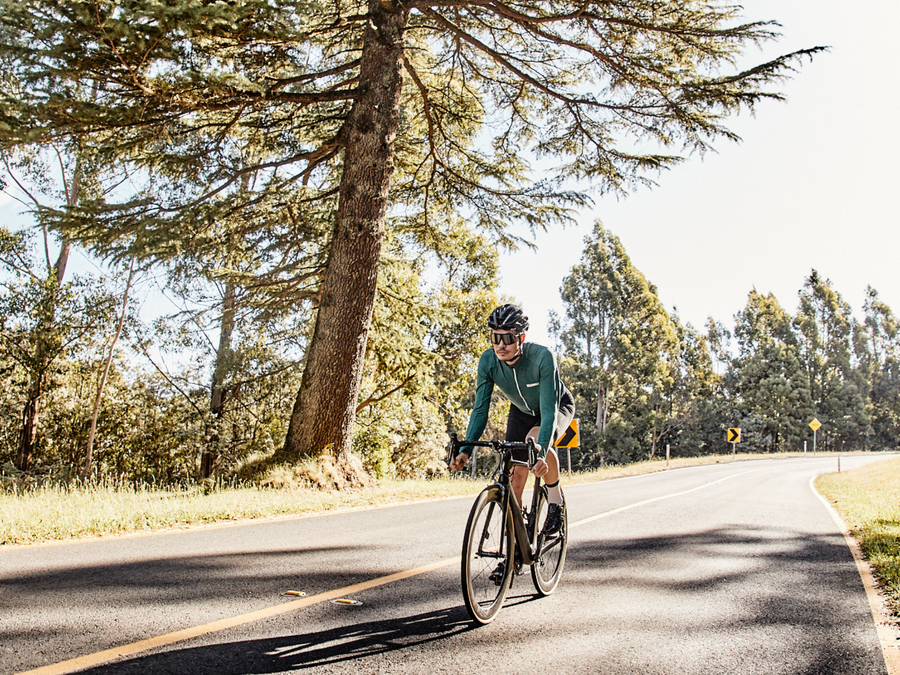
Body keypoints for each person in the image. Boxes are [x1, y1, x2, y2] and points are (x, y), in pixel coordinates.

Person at [450, 303, 575, 536]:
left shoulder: (543, 357)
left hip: (555, 406)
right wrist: (465, 450)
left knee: (534, 439)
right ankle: (514, 550)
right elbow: (480, 410)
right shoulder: (488, 361)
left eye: (507, 338)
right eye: (495, 338)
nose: (500, 345)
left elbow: (548, 414)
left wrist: (539, 454)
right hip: (520, 411)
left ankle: (556, 502)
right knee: (515, 481)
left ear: (521, 337)